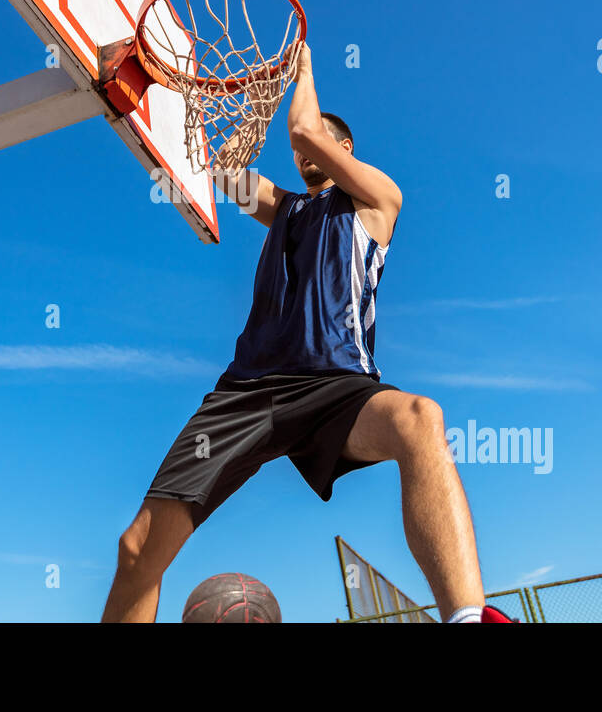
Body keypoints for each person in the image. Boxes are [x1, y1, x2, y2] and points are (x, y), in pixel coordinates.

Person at [101, 45, 511, 623]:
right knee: (137, 549)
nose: (302, 151)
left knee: (419, 417)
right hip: (246, 391)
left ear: (343, 150)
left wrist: (304, 72)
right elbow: (222, 171)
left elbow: (302, 129)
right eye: (300, 150)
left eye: (318, 143)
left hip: (337, 386)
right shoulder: (285, 208)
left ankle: (468, 619)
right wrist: (184, 86)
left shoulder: (377, 198)